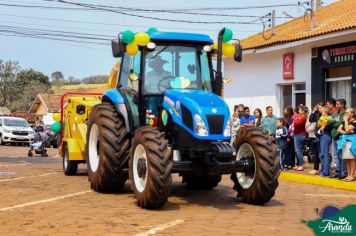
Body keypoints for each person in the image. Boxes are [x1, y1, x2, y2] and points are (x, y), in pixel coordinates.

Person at [326, 99, 348, 179]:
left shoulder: (346, 114)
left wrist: (334, 123)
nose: (336, 106)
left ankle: (344, 172)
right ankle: (338, 172)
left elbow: (342, 125)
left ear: (342, 105)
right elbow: (328, 124)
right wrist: (335, 123)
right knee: (335, 156)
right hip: (334, 137)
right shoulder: (334, 114)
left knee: (342, 156)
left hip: (341, 137)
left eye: (338, 104)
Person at [337, 108, 356, 181]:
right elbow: (339, 129)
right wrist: (346, 132)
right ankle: (348, 175)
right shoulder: (346, 121)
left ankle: (352, 175)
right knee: (347, 159)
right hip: (345, 140)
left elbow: (347, 129)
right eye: (346, 113)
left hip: (352, 141)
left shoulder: (354, 122)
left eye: (348, 113)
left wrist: (345, 121)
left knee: (352, 158)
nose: (346, 115)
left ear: (352, 114)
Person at [307, 102, 323, 175]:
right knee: (315, 153)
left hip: (322, 136)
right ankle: (316, 168)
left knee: (321, 154)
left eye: (320, 108)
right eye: (318, 108)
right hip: (316, 136)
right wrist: (313, 111)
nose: (319, 109)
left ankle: (322, 169)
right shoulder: (317, 115)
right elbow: (310, 119)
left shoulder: (325, 115)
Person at [317, 106, 333, 176]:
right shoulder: (331, 118)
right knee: (325, 154)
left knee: (324, 154)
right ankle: (327, 170)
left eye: (322, 110)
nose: (320, 111)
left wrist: (320, 128)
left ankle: (325, 172)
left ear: (324, 112)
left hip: (325, 135)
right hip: (328, 135)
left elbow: (318, 125)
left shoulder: (322, 118)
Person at [293, 105, 307, 171]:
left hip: (300, 135)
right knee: (297, 151)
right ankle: (298, 164)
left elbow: (296, 124)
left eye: (300, 110)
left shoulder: (303, 117)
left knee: (298, 151)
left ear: (303, 111)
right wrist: (296, 118)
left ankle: (301, 165)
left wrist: (295, 117)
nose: (298, 111)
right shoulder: (299, 117)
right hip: (297, 135)